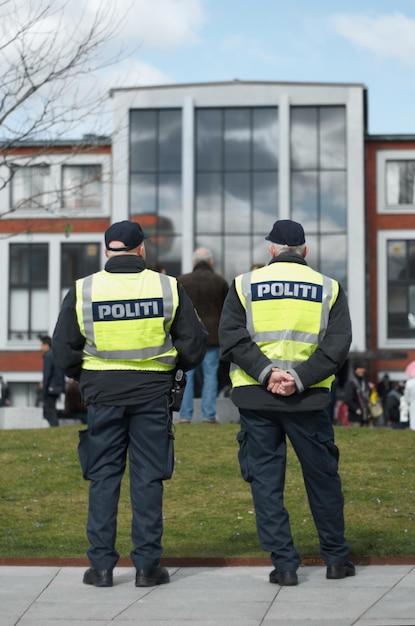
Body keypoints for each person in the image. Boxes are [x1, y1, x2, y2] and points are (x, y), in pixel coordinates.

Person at [52, 220, 207, 589]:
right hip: (153, 394)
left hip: (103, 395)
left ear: (108, 251)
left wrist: (88, 375)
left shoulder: (84, 289)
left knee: (103, 477)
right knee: (148, 478)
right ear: (141, 250)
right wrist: (173, 366)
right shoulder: (167, 287)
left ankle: (102, 568)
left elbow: (63, 350)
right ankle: (147, 567)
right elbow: (194, 344)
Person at [219, 219, 354, 586]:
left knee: (266, 483)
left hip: (256, 397)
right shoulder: (329, 287)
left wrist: (266, 373)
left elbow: (230, 338)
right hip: (307, 399)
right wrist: (298, 378)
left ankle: (285, 566)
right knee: (323, 479)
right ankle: (336, 560)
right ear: (305, 251)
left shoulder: (244, 284)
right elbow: (338, 345)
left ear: (271, 250)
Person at [177, 247, 228, 424]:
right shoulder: (219, 281)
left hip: (189, 337)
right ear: (211, 262)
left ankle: (185, 415)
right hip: (212, 337)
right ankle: (208, 415)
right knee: (210, 375)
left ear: (194, 262)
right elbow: (226, 310)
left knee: (187, 376)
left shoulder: (182, 281)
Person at [40, 335, 65, 427]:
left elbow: (47, 374)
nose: (41, 348)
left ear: (47, 345)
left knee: (49, 409)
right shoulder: (56, 355)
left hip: (51, 388)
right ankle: (54, 426)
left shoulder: (48, 356)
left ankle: (54, 426)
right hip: (57, 387)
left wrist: (44, 389)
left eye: (42, 345)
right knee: (51, 408)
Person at [343, 361, 374, 427]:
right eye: (359, 368)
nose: (362, 370)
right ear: (355, 370)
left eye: (363, 368)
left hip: (366, 416)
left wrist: (371, 390)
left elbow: (366, 396)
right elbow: (347, 399)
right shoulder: (351, 383)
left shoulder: (365, 382)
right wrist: (356, 409)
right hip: (355, 417)